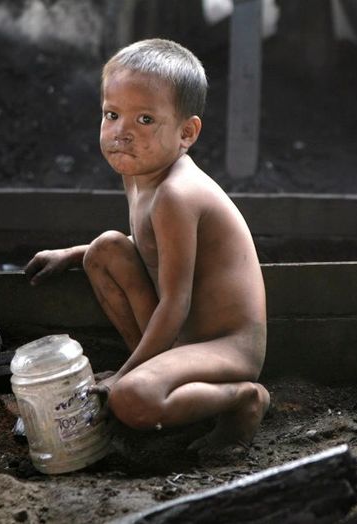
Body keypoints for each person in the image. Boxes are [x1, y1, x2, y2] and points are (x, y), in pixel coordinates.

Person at [24, 38, 269, 454]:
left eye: (144, 120)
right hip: (185, 336)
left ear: (187, 132)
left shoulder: (177, 193)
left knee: (130, 400)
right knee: (104, 250)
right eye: (112, 115)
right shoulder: (142, 174)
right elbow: (151, 248)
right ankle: (152, 373)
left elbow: (176, 302)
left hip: (226, 345)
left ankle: (244, 399)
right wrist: (71, 255)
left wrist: (123, 376)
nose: (122, 132)